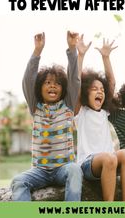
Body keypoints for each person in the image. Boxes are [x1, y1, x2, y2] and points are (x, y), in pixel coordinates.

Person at [11, 32, 83, 201]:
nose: (53, 86)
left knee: (75, 170)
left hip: (63, 168)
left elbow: (74, 79)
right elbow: (27, 80)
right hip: (39, 171)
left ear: (63, 89)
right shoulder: (36, 107)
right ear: (39, 87)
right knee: (18, 181)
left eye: (57, 83)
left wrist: (72, 49)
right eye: (48, 82)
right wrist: (37, 51)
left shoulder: (68, 105)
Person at [75, 37, 125, 201]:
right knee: (110, 158)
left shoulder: (104, 112)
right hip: (88, 164)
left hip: (110, 161)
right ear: (86, 92)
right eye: (94, 89)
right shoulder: (81, 111)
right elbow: (76, 83)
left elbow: (112, 83)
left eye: (101, 89)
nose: (100, 92)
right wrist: (80, 56)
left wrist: (106, 57)